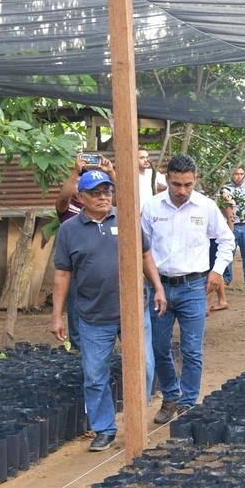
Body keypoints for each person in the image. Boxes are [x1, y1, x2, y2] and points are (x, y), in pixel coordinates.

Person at [52, 168, 164, 450]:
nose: (103, 197)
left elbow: (145, 255)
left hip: (133, 311)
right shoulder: (68, 231)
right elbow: (62, 274)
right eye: (95, 192)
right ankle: (104, 428)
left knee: (145, 366)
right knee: (94, 373)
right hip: (93, 316)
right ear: (81, 197)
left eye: (107, 191)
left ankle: (136, 420)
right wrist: (57, 315)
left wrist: (159, 287)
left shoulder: (126, 219)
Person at [142, 154, 235, 425]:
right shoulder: (151, 207)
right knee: (159, 347)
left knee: (192, 349)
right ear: (166, 179)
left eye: (188, 185)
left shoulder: (205, 207)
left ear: (195, 181)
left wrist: (217, 270)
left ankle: (187, 403)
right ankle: (170, 395)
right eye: (176, 184)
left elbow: (226, 239)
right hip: (159, 287)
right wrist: (151, 282)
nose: (182, 191)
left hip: (194, 286)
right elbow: (141, 248)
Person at [55, 152, 116, 350]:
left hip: (104, 260)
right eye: (92, 190)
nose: (100, 195)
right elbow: (63, 196)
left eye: (103, 190)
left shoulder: (108, 207)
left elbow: (125, 201)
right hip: (77, 262)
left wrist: (111, 172)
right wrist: (75, 172)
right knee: (76, 304)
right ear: (81, 192)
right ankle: (79, 344)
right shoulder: (68, 208)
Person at [221, 166, 245, 287]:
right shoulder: (226, 188)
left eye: (241, 173)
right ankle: (226, 278)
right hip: (230, 226)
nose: (239, 176)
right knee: (228, 253)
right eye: (236, 173)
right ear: (231, 175)